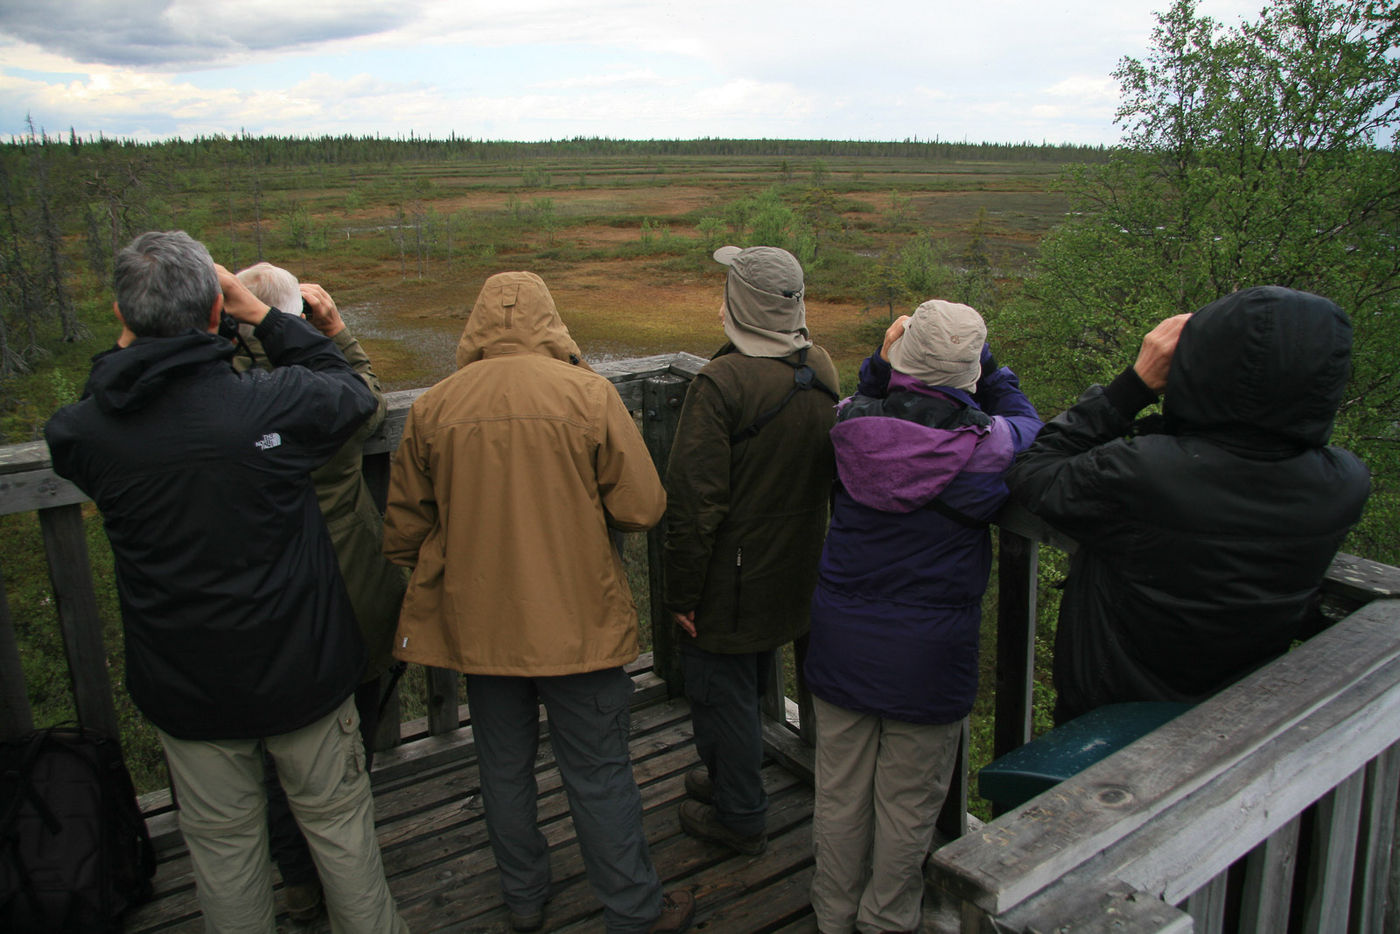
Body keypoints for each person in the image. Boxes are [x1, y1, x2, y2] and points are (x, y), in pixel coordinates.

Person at [44, 230, 407, 932]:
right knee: (342, 834)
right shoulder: (273, 403)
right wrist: (267, 315)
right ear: (218, 311)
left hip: (188, 687)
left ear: (124, 318)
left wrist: (133, 345)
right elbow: (350, 395)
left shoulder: (89, 435)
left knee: (224, 854)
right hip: (303, 670)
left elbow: (85, 409)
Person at [382, 271, 693, 934]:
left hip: (481, 632)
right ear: (550, 321)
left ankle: (523, 899)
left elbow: (403, 532)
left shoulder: (434, 407)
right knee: (600, 774)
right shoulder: (589, 395)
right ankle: (633, 912)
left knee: (502, 771)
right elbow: (642, 506)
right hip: (579, 627)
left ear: (476, 327)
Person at [1006, 286, 1370, 724]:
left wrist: (1133, 385)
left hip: (1110, 719)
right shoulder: (1343, 482)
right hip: (1237, 723)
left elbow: (1032, 470)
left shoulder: (1144, 473)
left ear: (1201, 367)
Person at [802, 301, 1041, 933]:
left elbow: (865, 400)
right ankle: (886, 920)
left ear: (896, 358)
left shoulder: (850, 424)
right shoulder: (987, 447)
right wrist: (983, 364)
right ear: (969, 370)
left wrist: (883, 365)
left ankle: (831, 915)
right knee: (908, 807)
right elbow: (1028, 422)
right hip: (930, 660)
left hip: (841, 643)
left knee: (840, 793)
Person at [234, 262, 407, 923]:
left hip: (265, 609)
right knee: (345, 749)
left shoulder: (223, 399)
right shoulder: (320, 394)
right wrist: (336, 332)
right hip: (351, 591)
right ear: (295, 319)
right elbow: (368, 393)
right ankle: (348, 874)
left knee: (273, 753)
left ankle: (300, 879)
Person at [663, 245, 840, 857]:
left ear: (740, 303)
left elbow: (693, 503)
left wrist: (683, 593)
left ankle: (741, 813)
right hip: (797, 570)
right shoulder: (821, 369)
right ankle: (727, 780)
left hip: (729, 581)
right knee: (750, 678)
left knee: (722, 697)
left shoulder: (721, 383)